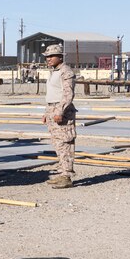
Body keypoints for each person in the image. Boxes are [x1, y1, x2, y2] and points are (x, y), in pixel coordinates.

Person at [42, 44, 76, 189]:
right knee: (57, 144)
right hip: (52, 109)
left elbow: (68, 95)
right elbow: (52, 94)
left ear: (60, 56)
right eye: (47, 57)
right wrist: (47, 113)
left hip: (61, 111)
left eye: (51, 56)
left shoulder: (66, 72)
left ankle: (66, 176)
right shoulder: (54, 72)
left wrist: (59, 111)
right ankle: (62, 172)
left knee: (65, 143)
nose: (48, 59)